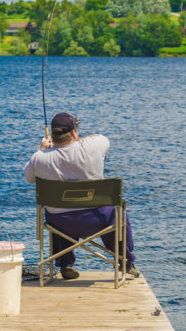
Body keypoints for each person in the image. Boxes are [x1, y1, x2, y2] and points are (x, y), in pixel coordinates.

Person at [24, 112, 137, 279]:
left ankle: (65, 264)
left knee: (58, 209)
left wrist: (42, 149)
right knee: (116, 211)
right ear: (75, 133)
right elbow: (103, 139)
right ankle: (125, 261)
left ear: (53, 136)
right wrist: (78, 139)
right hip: (97, 220)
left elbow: (29, 177)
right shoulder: (93, 146)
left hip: (60, 224)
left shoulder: (40, 158)